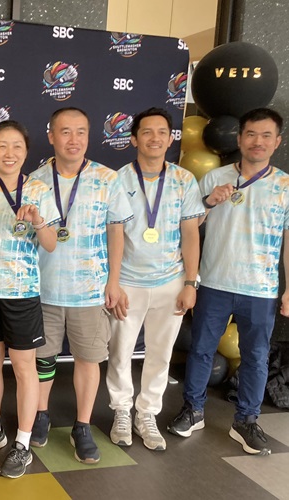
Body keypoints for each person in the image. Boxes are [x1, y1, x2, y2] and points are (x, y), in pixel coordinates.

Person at [168, 108, 289, 455]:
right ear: (239, 139)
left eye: (266, 136)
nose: (257, 142)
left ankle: (246, 420)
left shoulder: (284, 186)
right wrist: (209, 201)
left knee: (256, 357)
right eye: (251, 134)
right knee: (201, 350)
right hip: (214, 283)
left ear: (277, 142)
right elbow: (189, 224)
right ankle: (193, 410)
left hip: (260, 288)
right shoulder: (214, 178)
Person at [28, 107, 132, 463]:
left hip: (90, 289)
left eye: (81, 132)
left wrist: (114, 281)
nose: (74, 140)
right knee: (43, 357)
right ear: (51, 136)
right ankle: (40, 415)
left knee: (89, 359)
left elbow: (116, 232)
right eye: (65, 132)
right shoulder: (35, 180)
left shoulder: (108, 179)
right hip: (43, 288)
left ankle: (82, 426)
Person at [106, 108, 203, 451]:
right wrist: (113, 282)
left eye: (162, 132)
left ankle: (147, 414)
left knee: (161, 353)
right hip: (127, 281)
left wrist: (190, 282)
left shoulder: (183, 180)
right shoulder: (118, 180)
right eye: (147, 132)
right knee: (120, 351)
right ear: (134, 139)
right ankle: (121, 410)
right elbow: (113, 233)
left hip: (170, 281)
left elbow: (190, 234)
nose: (155, 138)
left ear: (171, 138)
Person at [0, 120, 59, 479]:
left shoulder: (39, 189)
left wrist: (37, 221)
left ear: (26, 151)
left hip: (22, 292)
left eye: (17, 146)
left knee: (24, 367)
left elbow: (51, 244)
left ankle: (22, 443)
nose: (9, 153)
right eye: (2, 146)